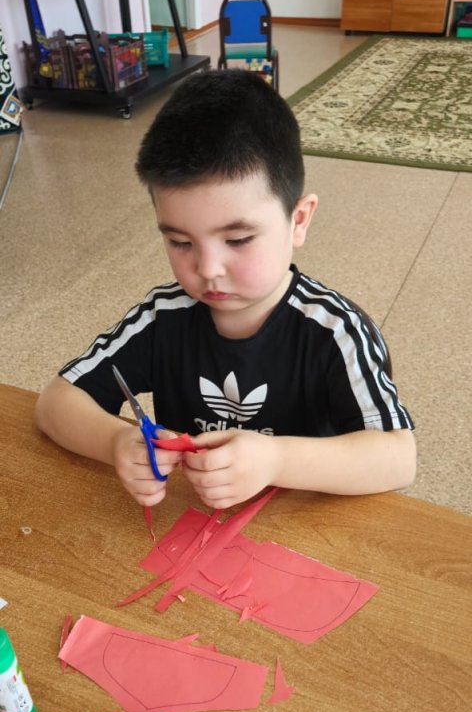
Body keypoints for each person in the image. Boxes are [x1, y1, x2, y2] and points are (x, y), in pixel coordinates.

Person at [35, 69, 416, 511]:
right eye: (180, 242)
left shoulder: (336, 332)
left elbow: (398, 457)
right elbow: (55, 402)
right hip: (194, 523)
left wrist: (275, 460)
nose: (208, 269)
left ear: (298, 220)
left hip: (301, 528)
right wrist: (118, 442)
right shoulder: (163, 317)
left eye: (237, 240)